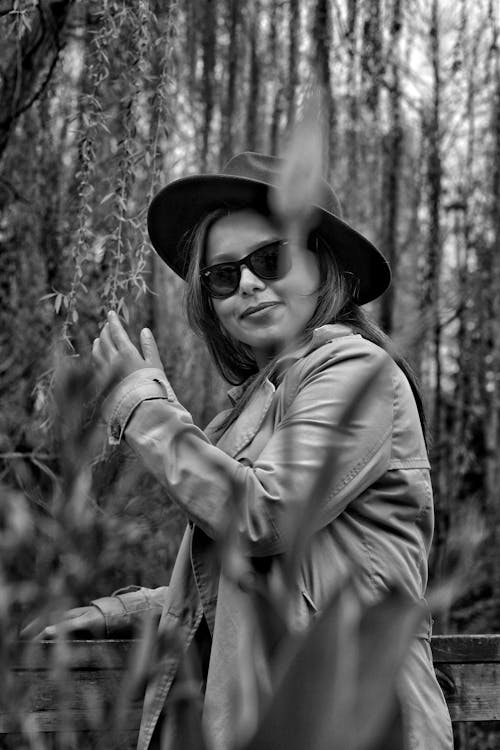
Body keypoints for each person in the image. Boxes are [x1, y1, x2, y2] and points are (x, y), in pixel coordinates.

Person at [28, 152, 453, 749]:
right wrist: (126, 612)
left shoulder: (358, 371)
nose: (248, 284)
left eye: (270, 260)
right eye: (223, 275)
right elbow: (250, 579)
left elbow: (264, 515)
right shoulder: (244, 413)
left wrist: (142, 407)